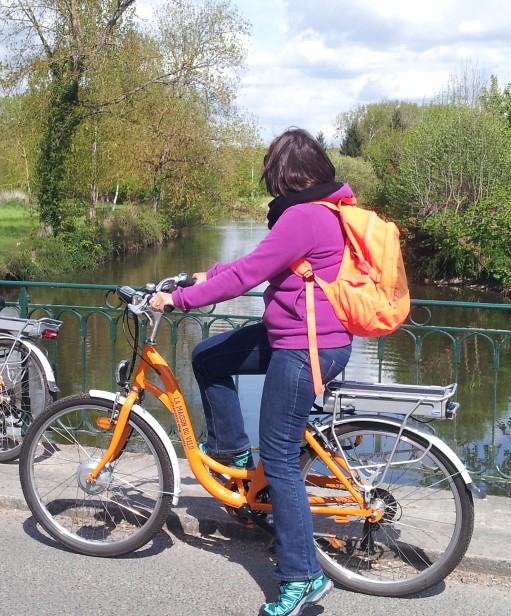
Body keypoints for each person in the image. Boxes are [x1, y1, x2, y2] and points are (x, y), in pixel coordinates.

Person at [149, 127, 352, 616]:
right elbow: (262, 264)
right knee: (210, 358)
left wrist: (177, 300)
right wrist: (205, 275)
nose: (272, 189)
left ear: (287, 177)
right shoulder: (329, 210)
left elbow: (250, 275)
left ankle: (303, 577)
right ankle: (238, 463)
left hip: (306, 348)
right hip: (296, 335)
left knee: (280, 458)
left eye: (274, 178)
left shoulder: (306, 216)